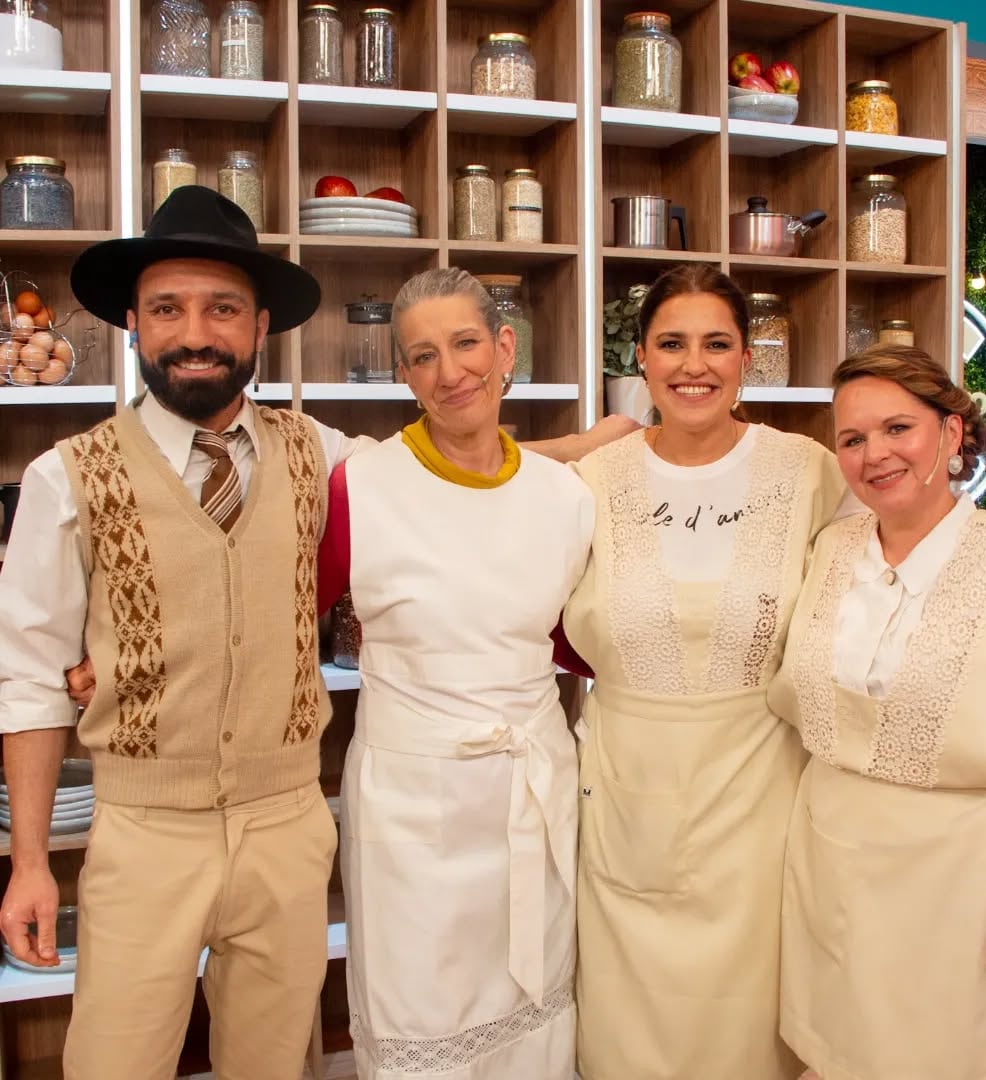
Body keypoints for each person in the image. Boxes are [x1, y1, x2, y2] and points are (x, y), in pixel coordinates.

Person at [0, 188, 620, 1080]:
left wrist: (598, 443)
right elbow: (25, 676)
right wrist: (29, 862)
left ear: (259, 329)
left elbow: (447, 469)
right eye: (168, 309)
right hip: (143, 829)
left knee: (275, 1062)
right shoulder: (66, 477)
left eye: (222, 309)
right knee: (113, 1061)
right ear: (132, 324)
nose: (195, 333)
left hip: (288, 826)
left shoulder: (318, 454)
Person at [561, 263, 847, 1079]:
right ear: (640, 359)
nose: (694, 365)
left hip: (763, 804)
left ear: (747, 356)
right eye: (672, 344)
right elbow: (483, 488)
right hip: (624, 799)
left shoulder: (808, 471)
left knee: (748, 1031)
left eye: (717, 343)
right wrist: (577, 444)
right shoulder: (592, 481)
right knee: (626, 1029)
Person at [768, 345, 986, 1080]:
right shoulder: (828, 549)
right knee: (834, 1054)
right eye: (852, 438)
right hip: (828, 858)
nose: (875, 454)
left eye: (897, 428)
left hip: (959, 876)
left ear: (951, 432)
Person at [315, 267, 594, 1078]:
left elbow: (573, 640)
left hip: (531, 795)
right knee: (420, 1027)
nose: (451, 372)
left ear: (504, 349)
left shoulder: (564, 496)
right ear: (405, 375)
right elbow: (292, 621)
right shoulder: (359, 488)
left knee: (535, 1019)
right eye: (423, 356)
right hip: (413, 814)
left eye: (466, 343)